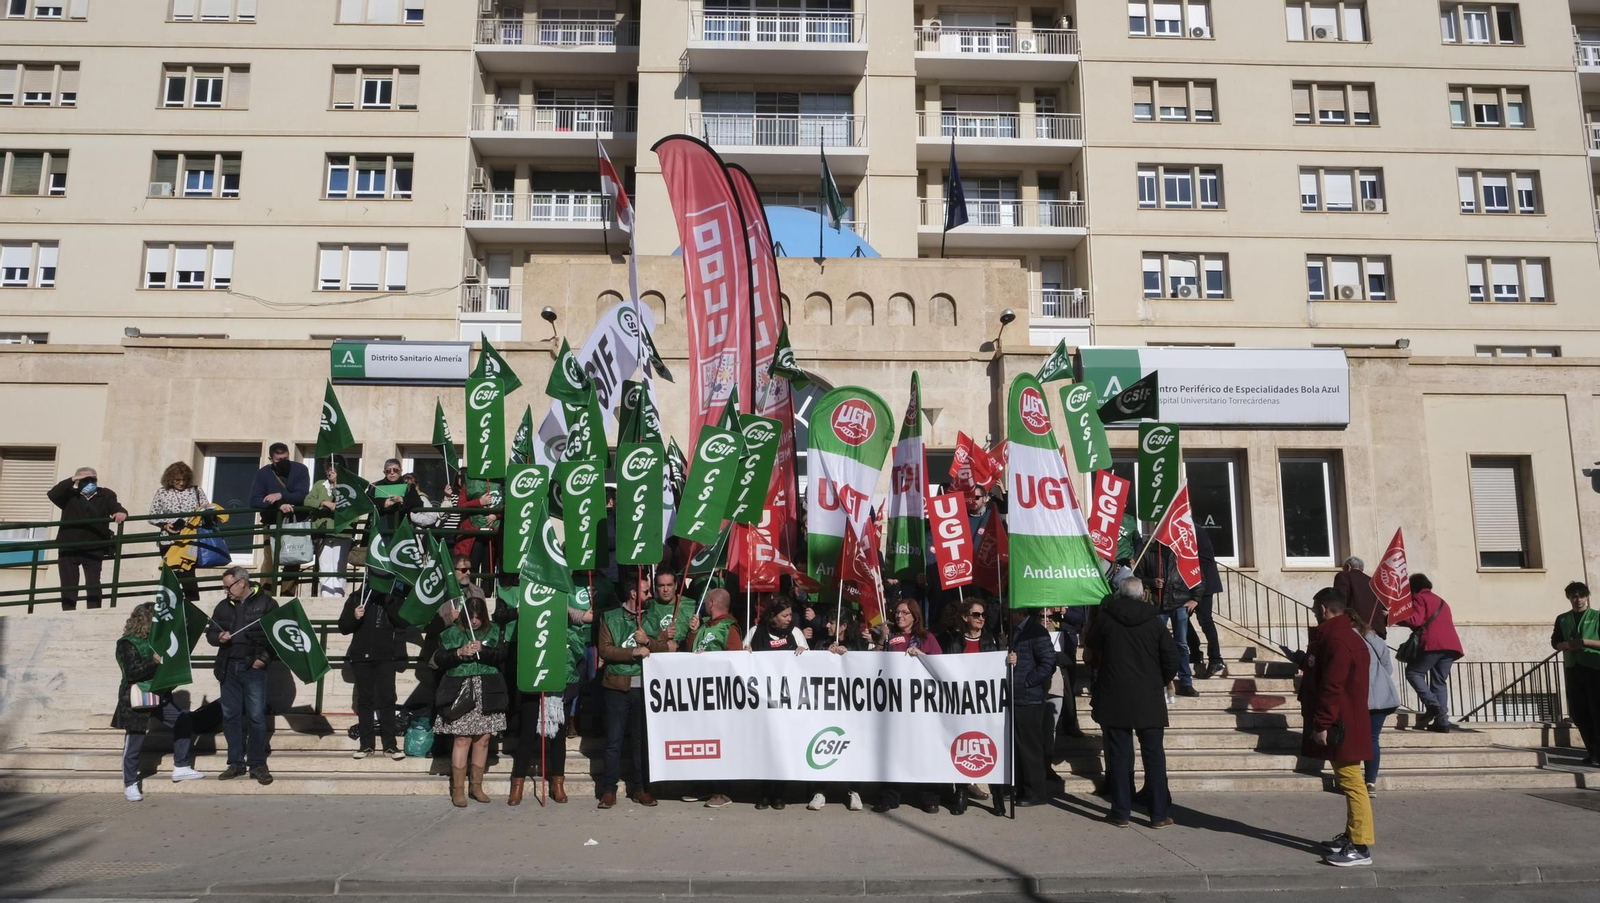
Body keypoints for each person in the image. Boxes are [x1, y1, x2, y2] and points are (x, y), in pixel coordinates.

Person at [1085, 577, 1177, 828]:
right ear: (1141, 595)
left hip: (1115, 695)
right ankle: (1158, 814)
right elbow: (1171, 657)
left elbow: (1091, 645)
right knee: (1154, 756)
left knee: (1119, 755)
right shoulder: (1155, 621)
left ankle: (1120, 812)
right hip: (1148, 697)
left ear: (1119, 594)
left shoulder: (1106, 618)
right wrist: (1162, 679)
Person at [1301, 588, 1375, 867]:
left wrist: (1322, 723)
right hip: (1347, 719)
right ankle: (1352, 835)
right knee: (1350, 781)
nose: (1313, 613)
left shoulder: (1337, 640)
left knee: (1353, 782)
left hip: (1341, 722)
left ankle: (1360, 846)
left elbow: (1333, 686)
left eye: (1313, 608)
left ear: (1322, 609)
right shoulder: (1344, 636)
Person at [505, 578, 592, 806]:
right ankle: (517, 785)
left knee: (558, 740)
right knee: (526, 737)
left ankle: (557, 784)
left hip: (560, 689)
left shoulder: (570, 635)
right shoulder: (529, 632)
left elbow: (578, 661)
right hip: (533, 688)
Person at [114, 602, 205, 800]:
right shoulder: (126, 643)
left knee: (182, 722)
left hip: (159, 695)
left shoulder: (157, 642)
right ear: (145, 620)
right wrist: (154, 661)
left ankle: (181, 766)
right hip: (137, 697)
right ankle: (130, 783)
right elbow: (132, 672)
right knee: (134, 740)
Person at [206, 565, 278, 785]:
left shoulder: (266, 603)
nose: (226, 591)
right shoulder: (223, 606)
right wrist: (218, 636)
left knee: (256, 716)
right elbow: (210, 632)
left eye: (228, 586)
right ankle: (235, 762)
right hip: (228, 668)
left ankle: (257, 764)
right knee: (230, 716)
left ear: (241, 582)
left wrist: (263, 660)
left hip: (252, 668)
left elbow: (279, 634)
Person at [433, 592, 507, 807]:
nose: (474, 621)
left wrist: (483, 650)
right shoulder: (452, 633)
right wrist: (459, 652)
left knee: (483, 739)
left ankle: (476, 785)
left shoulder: (494, 631)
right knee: (462, 738)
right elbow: (439, 658)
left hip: (488, 688)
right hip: (460, 689)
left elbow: (502, 655)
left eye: (478, 617)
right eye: (471, 617)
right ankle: (458, 789)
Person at [596, 574, 659, 809]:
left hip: (645, 688)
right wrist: (634, 652)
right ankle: (608, 790)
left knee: (641, 741)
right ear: (634, 594)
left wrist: (649, 643)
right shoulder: (610, 617)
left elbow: (666, 645)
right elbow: (605, 650)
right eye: (646, 592)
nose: (650, 595)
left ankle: (641, 788)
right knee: (613, 741)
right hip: (616, 687)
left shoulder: (651, 616)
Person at [875, 599, 942, 813]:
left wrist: (921, 655)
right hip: (893, 706)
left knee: (923, 750)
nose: (899, 615)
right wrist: (882, 640)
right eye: (897, 612)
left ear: (915, 615)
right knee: (892, 751)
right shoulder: (889, 638)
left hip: (921, 706)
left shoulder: (926, 638)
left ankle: (928, 795)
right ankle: (889, 796)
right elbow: (873, 665)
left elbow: (941, 667)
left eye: (905, 612)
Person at [682, 588, 743, 809]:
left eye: (706, 601)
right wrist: (692, 633)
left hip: (720, 696)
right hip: (700, 694)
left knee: (720, 743)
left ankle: (722, 790)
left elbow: (736, 661)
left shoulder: (729, 627)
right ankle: (704, 785)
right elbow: (690, 650)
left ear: (712, 602)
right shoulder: (706, 625)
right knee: (702, 741)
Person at [941, 599, 1001, 815]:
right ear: (965, 617)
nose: (981, 618)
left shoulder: (993, 640)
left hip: (988, 707)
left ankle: (998, 795)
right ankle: (962, 793)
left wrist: (1010, 660)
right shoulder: (955, 643)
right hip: (963, 706)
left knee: (993, 747)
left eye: (983, 614)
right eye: (976, 614)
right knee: (962, 748)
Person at [746, 598, 808, 810]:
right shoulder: (756, 632)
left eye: (790, 615)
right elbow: (742, 659)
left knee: (782, 747)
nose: (789, 619)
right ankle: (764, 793)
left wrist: (803, 653)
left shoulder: (796, 633)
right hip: (762, 702)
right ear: (773, 615)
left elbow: (810, 665)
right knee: (764, 748)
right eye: (785, 615)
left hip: (786, 702)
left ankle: (780, 793)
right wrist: (746, 654)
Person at [47, 466, 128, 610]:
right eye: (85, 480)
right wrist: (73, 480)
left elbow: (116, 507)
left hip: (94, 546)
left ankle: (95, 611)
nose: (90, 482)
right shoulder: (69, 495)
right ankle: (68, 613)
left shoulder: (106, 494)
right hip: (69, 547)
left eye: (93, 479)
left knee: (93, 584)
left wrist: (120, 512)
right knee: (68, 585)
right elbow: (53, 494)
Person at [339, 586, 406, 760]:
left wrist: (390, 604)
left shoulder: (393, 597)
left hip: (385, 656)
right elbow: (343, 627)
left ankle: (390, 745)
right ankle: (366, 744)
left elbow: (403, 622)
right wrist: (354, 617)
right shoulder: (356, 598)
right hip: (361, 657)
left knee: (388, 699)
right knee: (365, 700)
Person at [1002, 606, 1057, 811]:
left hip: (1029, 698)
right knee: (1019, 746)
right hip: (1016, 697)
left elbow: (1049, 663)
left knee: (1030, 746)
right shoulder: (1015, 631)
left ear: (1019, 612)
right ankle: (1021, 787)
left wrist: (1026, 681)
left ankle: (1036, 791)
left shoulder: (1036, 631)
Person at [1395, 574, 1465, 732]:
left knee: (1413, 672)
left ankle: (1432, 704)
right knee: (1439, 682)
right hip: (1451, 646)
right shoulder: (1442, 601)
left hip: (1433, 644)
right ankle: (1442, 722)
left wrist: (1394, 618)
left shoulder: (1419, 598)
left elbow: (1416, 620)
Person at [1137, 543, 1200, 698]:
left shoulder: (1184, 551)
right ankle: (1158, 681)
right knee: (1156, 645)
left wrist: (1195, 599)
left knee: (1182, 644)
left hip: (1180, 602)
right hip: (1157, 604)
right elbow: (1137, 576)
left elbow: (1197, 576)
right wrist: (1151, 581)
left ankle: (1186, 682)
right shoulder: (1149, 551)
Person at [1351, 603, 1400, 793]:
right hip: (1383, 696)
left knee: (1356, 738)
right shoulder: (1374, 637)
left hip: (1361, 697)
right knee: (1372, 738)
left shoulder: (1346, 639)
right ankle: (1370, 781)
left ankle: (1356, 779)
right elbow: (1388, 666)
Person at [248, 443, 309, 596]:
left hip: (295, 522)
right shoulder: (263, 474)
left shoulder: (300, 470)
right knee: (270, 560)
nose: (283, 462)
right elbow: (254, 500)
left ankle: (287, 594)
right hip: (272, 523)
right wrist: (277, 505)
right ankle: (265, 595)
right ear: (271, 459)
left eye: (286, 458)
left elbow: (302, 495)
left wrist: (281, 496)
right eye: (278, 459)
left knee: (293, 558)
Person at [1553, 582, 1600, 766]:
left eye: (1581, 595)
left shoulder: (1597, 617)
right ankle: (1593, 752)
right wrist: (1562, 645)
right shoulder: (1563, 618)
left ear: (1587, 596)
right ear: (1569, 598)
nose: (1578, 599)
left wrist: (1584, 642)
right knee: (1579, 713)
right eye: (1574, 596)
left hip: (1595, 667)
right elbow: (1555, 641)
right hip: (1574, 668)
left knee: (1597, 711)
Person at [149, 461, 209, 602]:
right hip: (168, 539)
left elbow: (206, 510)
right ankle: (172, 605)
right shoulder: (162, 492)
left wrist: (204, 511)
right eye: (177, 480)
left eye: (184, 480)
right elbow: (152, 515)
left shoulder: (196, 490)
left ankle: (192, 603)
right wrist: (164, 525)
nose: (181, 483)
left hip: (190, 539)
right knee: (171, 574)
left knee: (187, 571)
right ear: (170, 479)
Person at [303, 460, 353, 599]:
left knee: (339, 567)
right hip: (323, 531)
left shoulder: (349, 486)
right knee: (325, 567)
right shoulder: (320, 485)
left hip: (342, 531)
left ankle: (338, 599)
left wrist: (336, 486)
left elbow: (349, 504)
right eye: (329, 469)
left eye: (335, 469)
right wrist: (324, 503)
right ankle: (326, 598)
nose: (331, 472)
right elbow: (308, 500)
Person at [1186, 528, 1227, 678]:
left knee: (1205, 620)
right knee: (1182, 618)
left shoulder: (1196, 531)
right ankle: (1196, 653)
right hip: (1191, 584)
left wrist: (1196, 597)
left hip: (1204, 584)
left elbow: (1201, 562)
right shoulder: (1183, 529)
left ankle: (1216, 658)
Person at [1053, 606, 1088, 741]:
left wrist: (1064, 611)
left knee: (1068, 686)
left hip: (1066, 645)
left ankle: (1070, 723)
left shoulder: (1070, 593)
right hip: (1047, 639)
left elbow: (1080, 617)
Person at [369, 459, 422, 537]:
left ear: (401, 471)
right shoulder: (376, 486)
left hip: (401, 525)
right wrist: (383, 503)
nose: (392, 473)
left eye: (395, 470)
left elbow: (418, 503)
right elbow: (367, 501)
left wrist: (401, 499)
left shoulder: (408, 486)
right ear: (384, 472)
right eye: (388, 471)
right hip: (380, 524)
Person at [1334, 556, 1385, 637]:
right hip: (1376, 631)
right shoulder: (1373, 582)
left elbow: (1339, 602)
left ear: (1348, 567)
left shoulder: (1343, 576)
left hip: (1356, 629)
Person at [646, 571, 696, 650]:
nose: (665, 590)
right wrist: (662, 637)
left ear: (676, 586)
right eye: (661, 585)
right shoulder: (648, 607)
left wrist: (678, 645)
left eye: (669, 585)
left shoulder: (690, 605)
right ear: (655, 587)